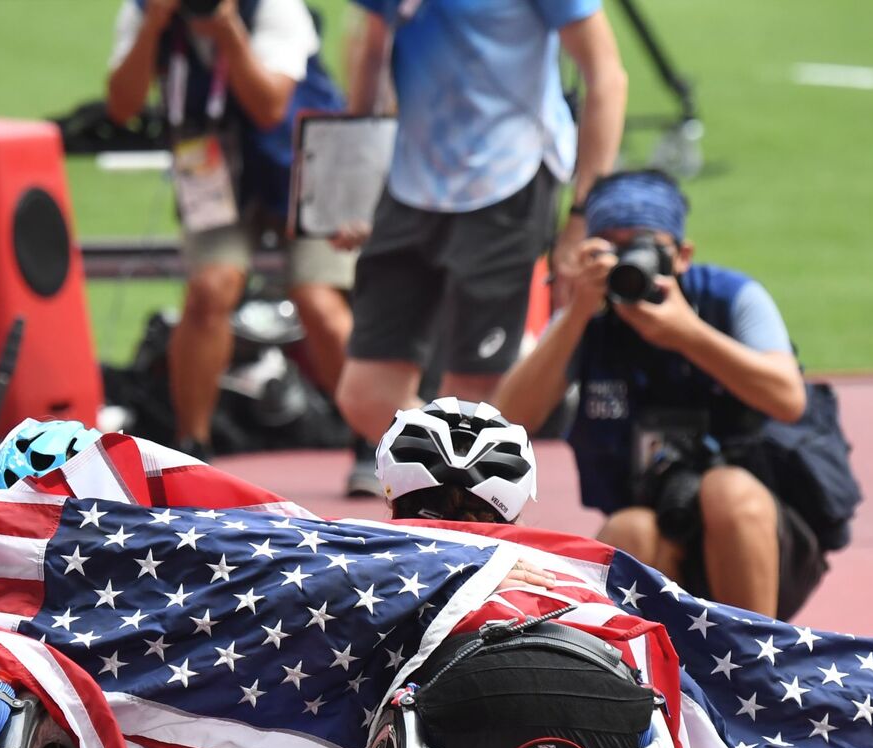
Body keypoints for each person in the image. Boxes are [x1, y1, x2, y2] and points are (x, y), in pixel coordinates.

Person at [494, 170, 828, 619]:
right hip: (652, 525)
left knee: (728, 493)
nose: (628, 263)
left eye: (642, 246)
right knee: (627, 530)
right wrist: (575, 314)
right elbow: (505, 424)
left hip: (760, 535)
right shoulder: (587, 316)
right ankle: (653, 681)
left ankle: (754, 668)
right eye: (610, 248)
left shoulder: (730, 299)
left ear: (683, 255)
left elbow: (788, 398)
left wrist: (688, 334)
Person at [333, 0, 628, 497]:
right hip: (411, 181)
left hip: (508, 178)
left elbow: (606, 75)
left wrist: (582, 214)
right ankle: (473, 453)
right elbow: (370, 49)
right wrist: (351, 182)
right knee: (365, 396)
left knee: (472, 393)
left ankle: (464, 521)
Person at [106, 0, 354, 459]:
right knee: (209, 290)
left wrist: (227, 29)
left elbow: (269, 107)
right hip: (216, 173)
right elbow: (122, 106)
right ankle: (192, 446)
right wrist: (153, 28)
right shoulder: (147, 10)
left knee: (317, 299)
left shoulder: (275, 8)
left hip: (306, 164)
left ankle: (369, 438)